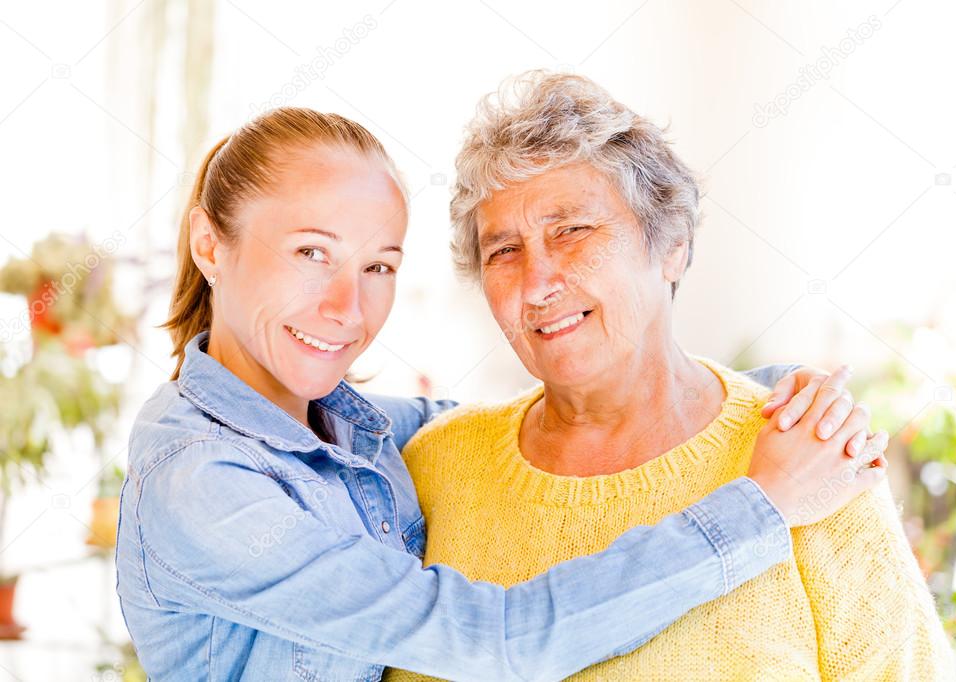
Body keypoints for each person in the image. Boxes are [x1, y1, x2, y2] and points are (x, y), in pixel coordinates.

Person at [115, 106, 887, 681]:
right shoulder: (200, 480)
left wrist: (778, 392)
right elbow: (495, 640)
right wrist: (760, 505)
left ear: (674, 244)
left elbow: (557, 412)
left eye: (378, 266)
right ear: (210, 244)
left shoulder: (354, 428)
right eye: (312, 252)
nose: (348, 309)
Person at [385, 72, 953, 681]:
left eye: (572, 230)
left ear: (673, 246)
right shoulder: (435, 469)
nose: (537, 283)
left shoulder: (809, 459)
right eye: (504, 251)